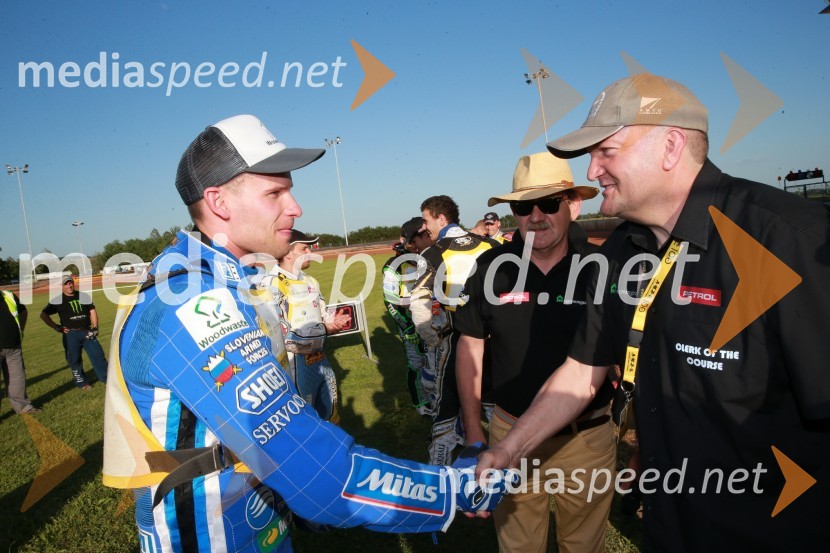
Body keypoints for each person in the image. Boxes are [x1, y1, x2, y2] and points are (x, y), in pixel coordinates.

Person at [102, 114, 514, 553]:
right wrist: (452, 488)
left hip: (252, 515)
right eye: (275, 192)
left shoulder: (224, 283)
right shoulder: (189, 299)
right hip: (209, 533)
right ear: (219, 202)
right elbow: (317, 472)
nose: (295, 207)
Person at [476, 73, 830, 551]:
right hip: (668, 524)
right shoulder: (621, 251)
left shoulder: (793, 241)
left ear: (669, 146)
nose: (592, 172)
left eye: (606, 151)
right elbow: (583, 372)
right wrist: (508, 448)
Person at [455, 152, 615, 553]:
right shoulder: (490, 267)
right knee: (518, 548)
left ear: (573, 205)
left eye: (549, 204)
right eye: (524, 207)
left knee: (583, 547)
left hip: (587, 439)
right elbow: (470, 345)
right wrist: (474, 431)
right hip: (509, 430)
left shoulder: (603, 267)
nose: (536, 216)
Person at [410, 195, 498, 465]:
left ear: (441, 218)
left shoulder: (434, 252)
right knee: (499, 409)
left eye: (426, 221)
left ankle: (440, 482)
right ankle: (512, 472)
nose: (424, 228)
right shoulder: (492, 244)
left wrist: (433, 338)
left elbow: (419, 302)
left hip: (457, 339)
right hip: (497, 340)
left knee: (447, 408)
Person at [261, 229, 349, 423]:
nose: (310, 252)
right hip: (294, 370)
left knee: (330, 418)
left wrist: (332, 321)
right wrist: (325, 329)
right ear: (287, 252)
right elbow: (285, 339)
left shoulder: (310, 281)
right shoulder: (271, 284)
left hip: (320, 362)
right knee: (305, 425)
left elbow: (323, 315)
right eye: (305, 248)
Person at [382, 217, 434, 415]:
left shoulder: (431, 256)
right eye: (420, 236)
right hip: (410, 325)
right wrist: (407, 326)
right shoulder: (394, 265)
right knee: (417, 364)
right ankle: (420, 403)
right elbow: (390, 301)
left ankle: (438, 398)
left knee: (436, 362)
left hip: (434, 322)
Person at [40, 276, 108, 389]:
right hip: (70, 335)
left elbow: (92, 310)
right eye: (66, 284)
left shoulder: (83, 296)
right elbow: (43, 314)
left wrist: (95, 327)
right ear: (62, 286)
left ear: (73, 283)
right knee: (74, 360)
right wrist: (56, 327)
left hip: (87, 332)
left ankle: (106, 379)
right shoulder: (58, 300)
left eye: (70, 283)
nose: (69, 286)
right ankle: (82, 383)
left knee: (98, 355)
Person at [1, 289, 39, 414]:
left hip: (14, 347)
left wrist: (20, 331)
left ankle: (23, 407)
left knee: (18, 378)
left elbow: (23, 311)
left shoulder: (8, 295)